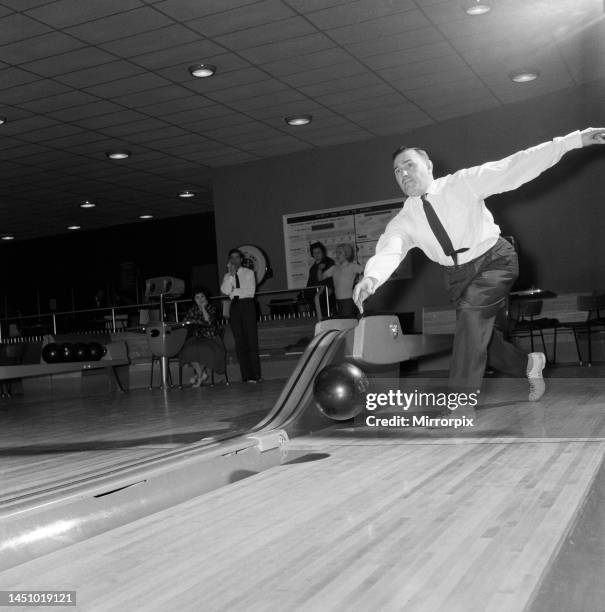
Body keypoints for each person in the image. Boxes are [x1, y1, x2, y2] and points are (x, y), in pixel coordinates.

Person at [353, 127, 605, 414]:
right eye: (398, 171)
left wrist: (573, 141)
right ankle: (530, 364)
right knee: (483, 342)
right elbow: (390, 249)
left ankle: (460, 403)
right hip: (457, 276)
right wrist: (371, 278)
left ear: (428, 166)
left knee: (472, 318)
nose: (404, 174)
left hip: (495, 259)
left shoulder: (462, 183)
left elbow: (514, 166)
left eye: (409, 165)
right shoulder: (405, 219)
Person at [221, 248, 262, 383]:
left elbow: (250, 293)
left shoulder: (249, 273)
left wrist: (235, 292)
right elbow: (226, 291)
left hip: (248, 306)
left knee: (251, 340)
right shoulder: (228, 276)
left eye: (237, 257)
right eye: (232, 258)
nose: (234, 260)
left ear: (241, 259)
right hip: (235, 308)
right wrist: (232, 276)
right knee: (240, 342)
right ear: (229, 260)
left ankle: (256, 375)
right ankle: (245, 375)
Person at [179, 287, 225, 387]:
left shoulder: (212, 307)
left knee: (204, 350)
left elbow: (208, 321)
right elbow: (185, 322)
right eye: (197, 297)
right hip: (197, 337)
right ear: (194, 300)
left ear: (206, 297)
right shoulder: (193, 310)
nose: (200, 299)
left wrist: (203, 308)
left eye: (202, 296)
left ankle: (198, 377)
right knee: (189, 348)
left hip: (211, 337)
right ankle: (201, 374)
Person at [319, 243, 363, 317]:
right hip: (338, 300)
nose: (337, 255)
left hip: (349, 300)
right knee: (343, 323)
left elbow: (366, 273)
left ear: (347, 254)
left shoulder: (352, 266)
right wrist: (319, 269)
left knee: (348, 323)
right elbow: (321, 278)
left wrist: (359, 282)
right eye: (336, 253)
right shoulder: (334, 268)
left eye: (340, 253)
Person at [305, 241, 335, 316]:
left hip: (326, 297)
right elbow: (310, 284)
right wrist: (307, 297)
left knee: (327, 319)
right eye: (314, 253)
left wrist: (329, 291)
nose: (316, 254)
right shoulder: (312, 268)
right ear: (312, 254)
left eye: (319, 252)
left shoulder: (329, 262)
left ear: (323, 252)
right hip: (315, 298)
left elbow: (332, 279)